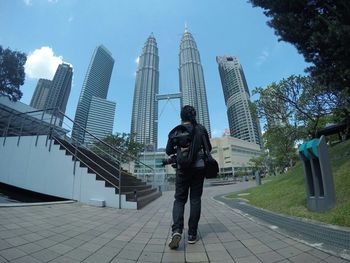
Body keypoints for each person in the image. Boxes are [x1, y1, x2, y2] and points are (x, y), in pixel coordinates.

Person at [166, 105, 211, 249]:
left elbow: (168, 151)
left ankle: (177, 230)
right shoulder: (201, 129)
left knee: (179, 200)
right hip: (199, 168)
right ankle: (192, 234)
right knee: (195, 200)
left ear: (181, 116)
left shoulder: (176, 130)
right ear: (194, 115)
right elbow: (208, 148)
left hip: (182, 170)